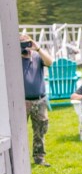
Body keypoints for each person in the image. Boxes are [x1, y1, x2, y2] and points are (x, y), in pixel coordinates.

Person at [20, 34, 54, 166]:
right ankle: (19, 159)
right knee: (19, 132)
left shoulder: (37, 56)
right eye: (21, 44)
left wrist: (37, 48)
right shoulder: (15, 60)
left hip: (40, 100)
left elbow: (50, 62)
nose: (25, 46)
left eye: (26, 43)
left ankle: (39, 158)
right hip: (22, 101)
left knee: (40, 130)